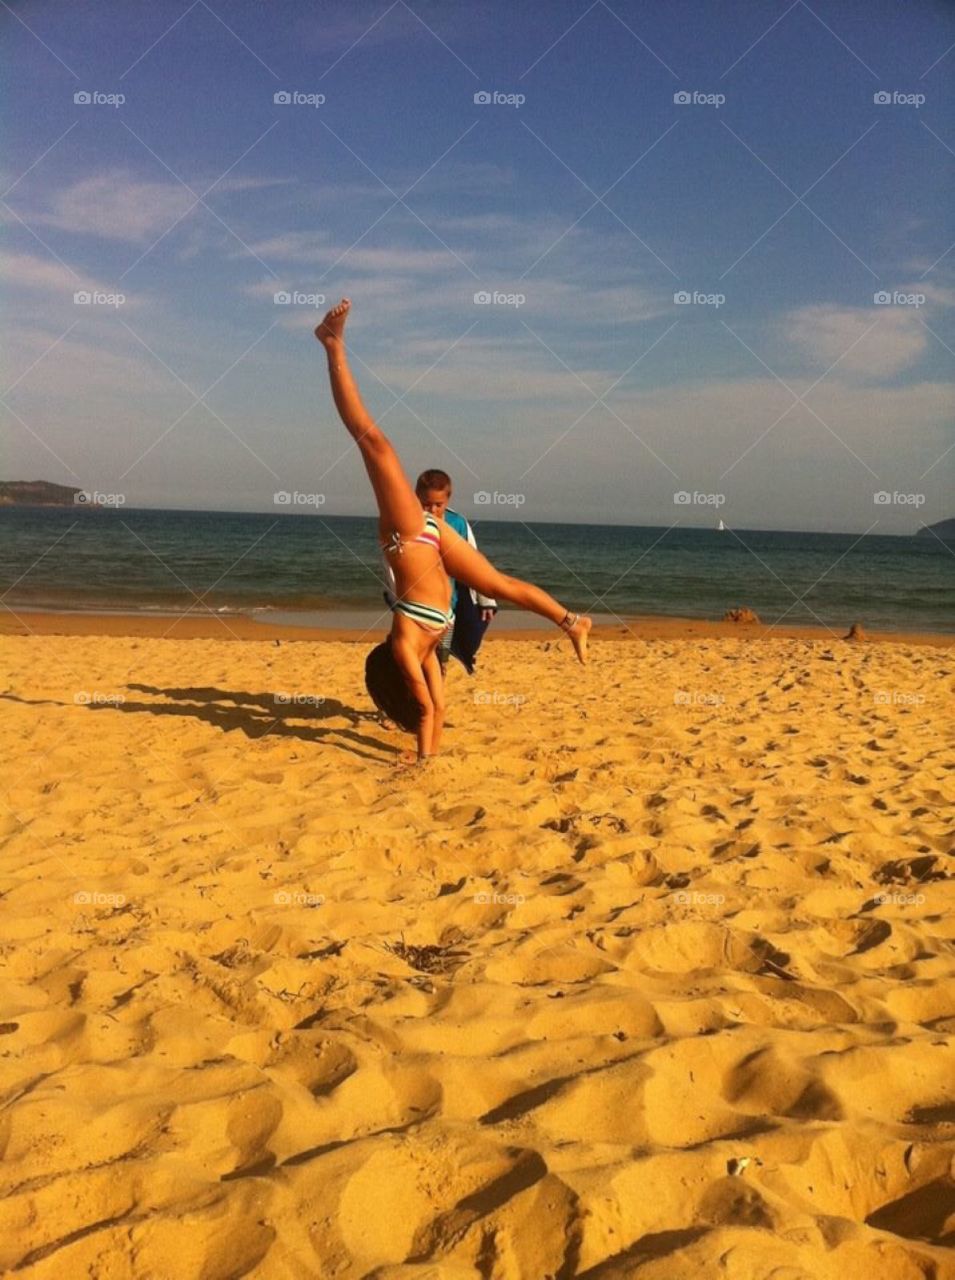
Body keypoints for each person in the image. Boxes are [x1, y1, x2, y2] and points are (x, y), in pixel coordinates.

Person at [315, 298, 591, 764]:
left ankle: (331, 344)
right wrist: (422, 762)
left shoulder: (404, 647)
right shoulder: (422, 652)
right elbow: (432, 709)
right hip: (432, 542)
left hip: (408, 537)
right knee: (497, 584)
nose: (417, 677)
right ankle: (573, 621)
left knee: (375, 445)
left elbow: (420, 705)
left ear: (395, 670)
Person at [382, 468, 497, 675]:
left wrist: (485, 599)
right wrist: (396, 597)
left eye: (438, 504)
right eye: (426, 503)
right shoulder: (406, 523)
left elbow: (475, 562)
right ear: (416, 496)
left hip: (447, 608)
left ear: (448, 500)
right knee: (409, 657)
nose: (432, 509)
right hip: (411, 606)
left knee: (439, 660)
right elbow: (392, 562)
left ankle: (435, 698)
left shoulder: (457, 523)